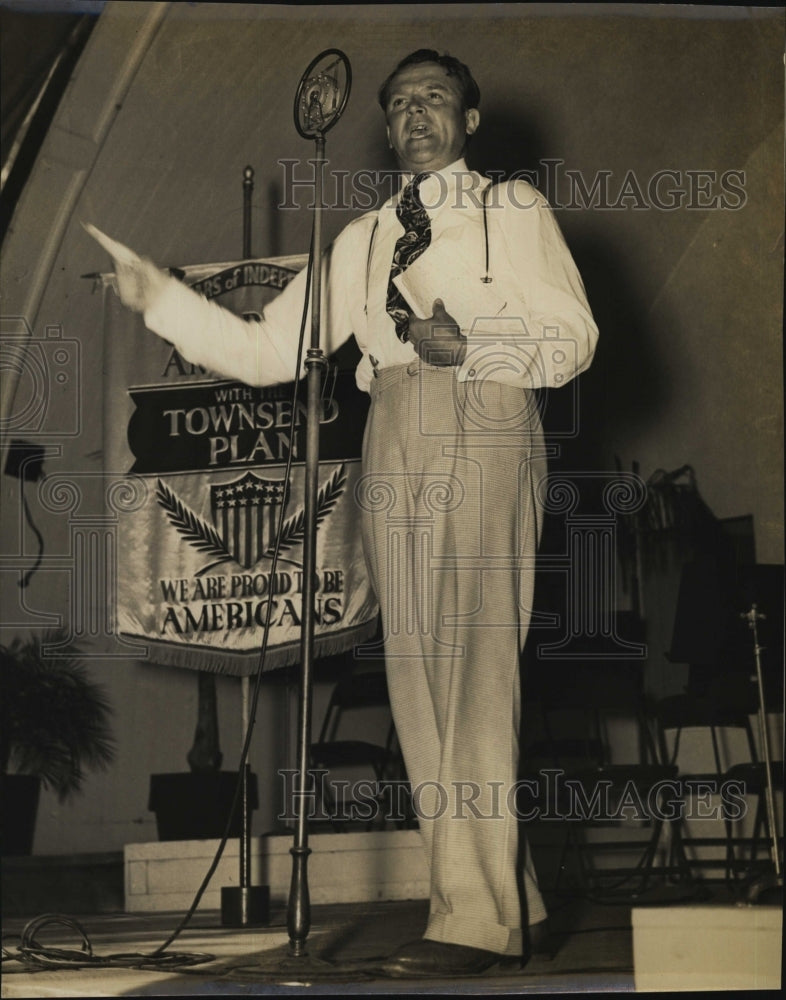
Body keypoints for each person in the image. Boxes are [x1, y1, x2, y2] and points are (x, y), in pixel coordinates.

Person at [101, 49, 598, 978]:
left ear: (471, 121)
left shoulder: (509, 210)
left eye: (436, 100)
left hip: (483, 413)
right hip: (394, 429)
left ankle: (473, 919)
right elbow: (263, 350)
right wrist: (158, 298)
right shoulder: (363, 236)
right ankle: (506, 897)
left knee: (476, 671)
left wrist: (479, 340)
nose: (417, 115)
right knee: (417, 678)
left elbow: (573, 335)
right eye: (401, 103)